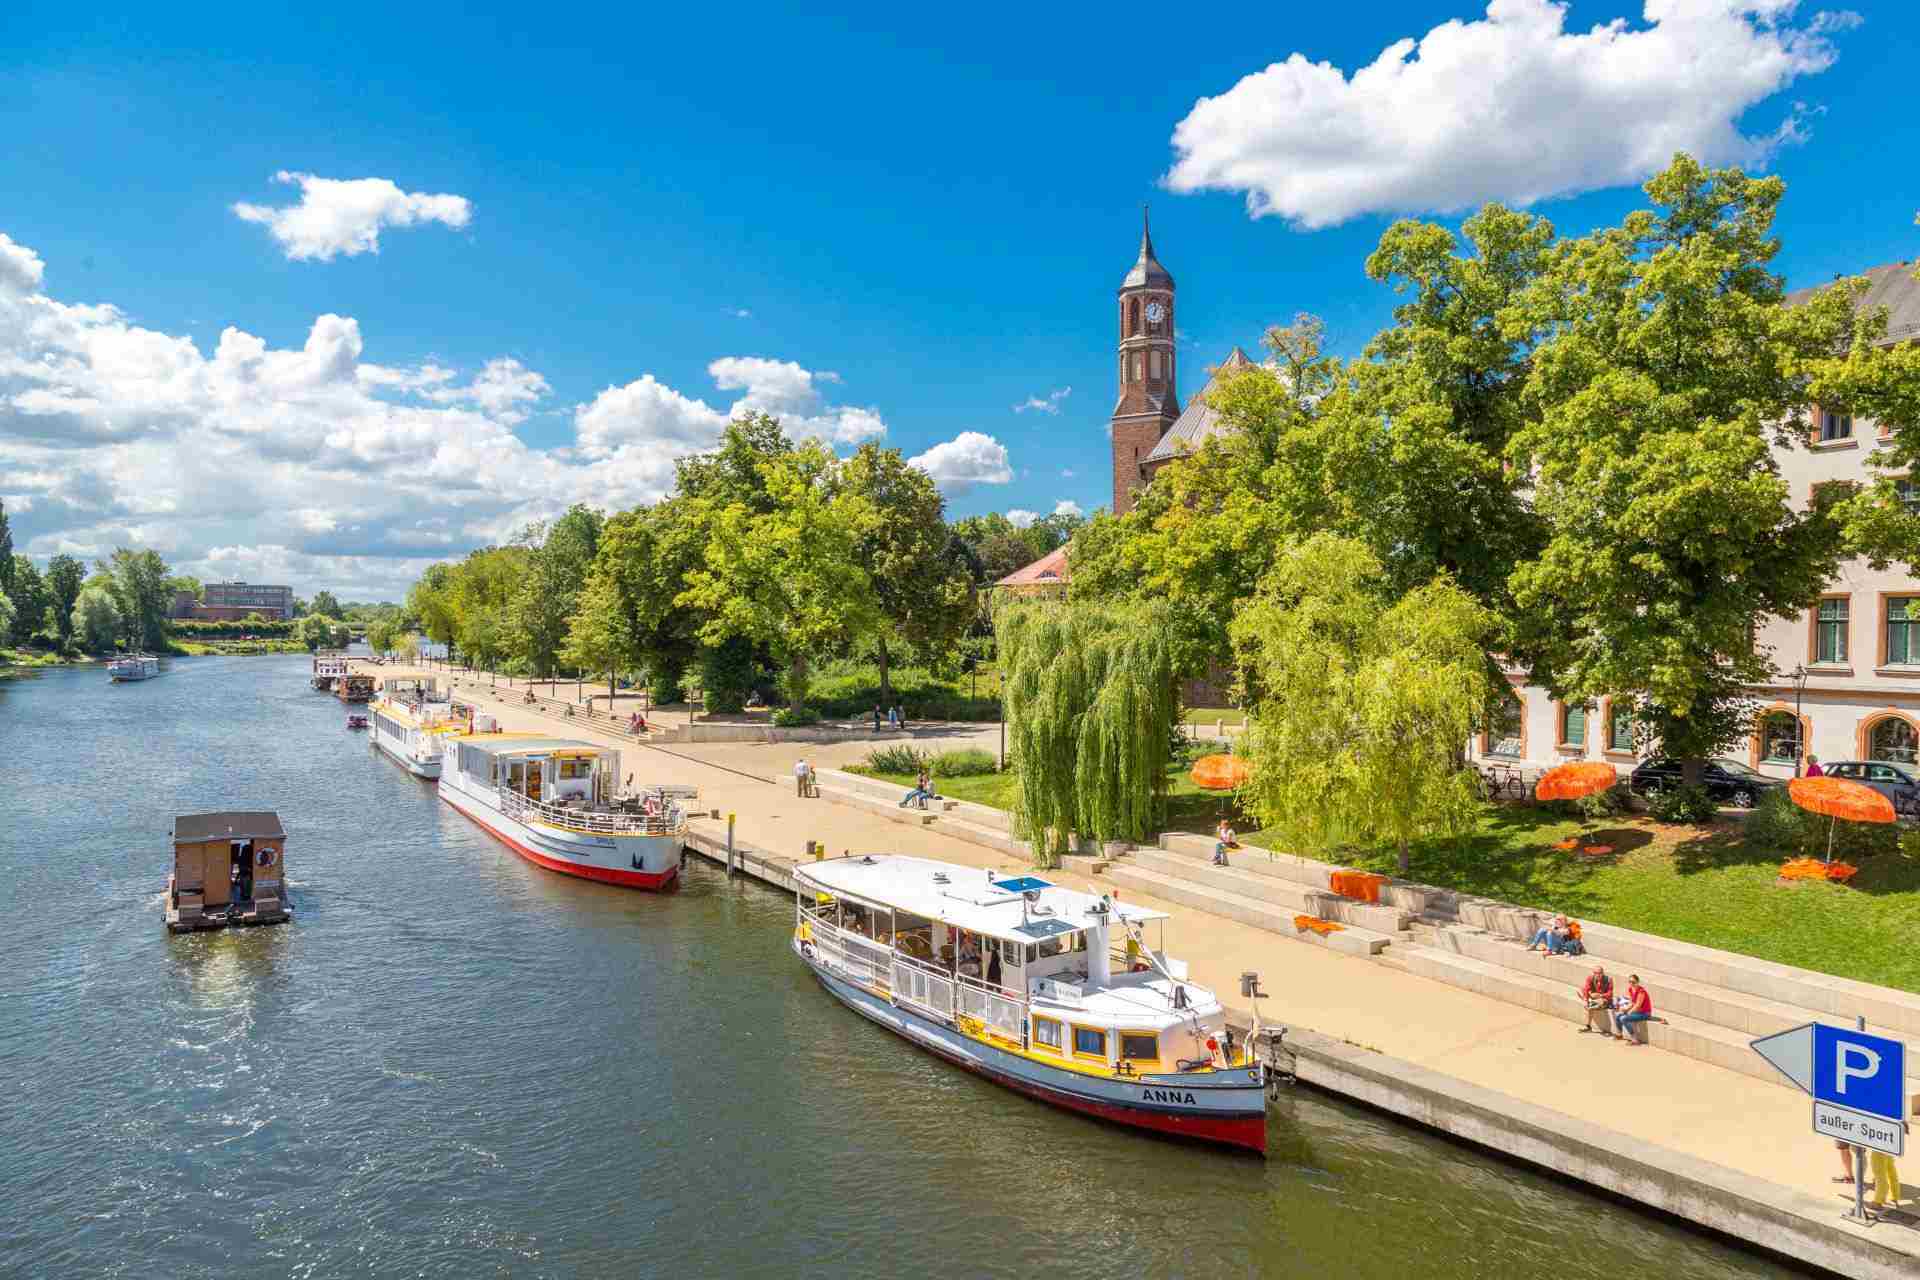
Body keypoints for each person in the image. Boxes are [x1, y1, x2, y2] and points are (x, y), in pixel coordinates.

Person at [1613, 974, 1654, 1044]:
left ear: (1638, 982)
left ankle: (1634, 1038)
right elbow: (1631, 1003)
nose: (1631, 984)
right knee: (1618, 1015)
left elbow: (1638, 1005)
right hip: (1636, 1012)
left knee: (1623, 1018)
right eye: (1630, 982)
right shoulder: (1630, 989)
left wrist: (1629, 1012)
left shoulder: (1641, 992)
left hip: (1644, 1013)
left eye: (1633, 982)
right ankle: (1619, 1034)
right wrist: (1625, 1009)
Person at [1578, 964, 1616, 1037]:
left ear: (1603, 973)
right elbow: (1586, 988)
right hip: (1594, 997)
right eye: (1596, 973)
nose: (1598, 975)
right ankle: (1588, 1026)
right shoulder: (1590, 978)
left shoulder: (1608, 979)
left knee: (1599, 1002)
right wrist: (1587, 999)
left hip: (1604, 999)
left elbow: (1610, 993)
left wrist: (1600, 995)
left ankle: (1591, 1004)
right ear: (1593, 973)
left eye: (1600, 973)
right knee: (1581, 990)